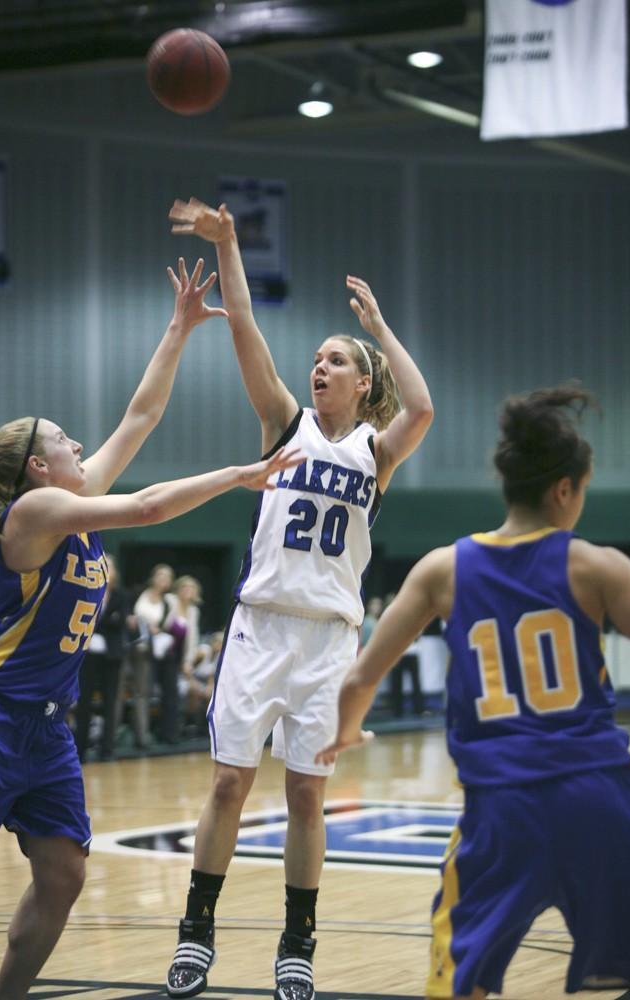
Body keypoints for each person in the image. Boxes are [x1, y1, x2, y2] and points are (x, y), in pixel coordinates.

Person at [0, 254, 303, 1000]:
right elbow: (149, 508)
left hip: (46, 730)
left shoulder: (70, 498)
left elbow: (141, 416)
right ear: (37, 468)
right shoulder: (36, 513)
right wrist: (240, 474)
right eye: (64, 441)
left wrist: (177, 329)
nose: (80, 446)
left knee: (63, 874)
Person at [165, 196, 434, 1000]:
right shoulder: (285, 425)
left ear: (361, 383)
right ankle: (195, 934)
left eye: (334, 360)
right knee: (226, 785)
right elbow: (243, 324)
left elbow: (421, 407)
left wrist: (380, 327)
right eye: (315, 358)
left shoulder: (374, 453)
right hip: (260, 629)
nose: (318, 367)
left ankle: (297, 943)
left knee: (306, 796)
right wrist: (229, 244)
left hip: (328, 643)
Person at [317, 386, 630, 999]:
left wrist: (345, 732)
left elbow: (359, 678)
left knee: (459, 976)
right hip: (598, 795)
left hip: (501, 809)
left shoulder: (443, 568)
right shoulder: (597, 567)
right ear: (565, 489)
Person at [73, 552, 130, 762]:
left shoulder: (121, 595)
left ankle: (107, 749)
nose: (107, 569)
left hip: (111, 656)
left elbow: (119, 621)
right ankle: (80, 748)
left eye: (110, 566)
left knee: (110, 702)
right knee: (84, 701)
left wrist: (102, 622)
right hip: (87, 656)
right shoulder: (86, 590)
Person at [133, 563, 179, 745]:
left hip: (152, 651)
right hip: (132, 647)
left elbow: (168, 626)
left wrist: (157, 630)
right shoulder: (139, 593)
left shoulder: (169, 602)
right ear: (153, 576)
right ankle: (138, 735)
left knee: (146, 692)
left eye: (167, 577)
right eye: (160, 575)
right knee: (139, 692)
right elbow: (128, 613)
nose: (163, 580)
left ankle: (144, 737)